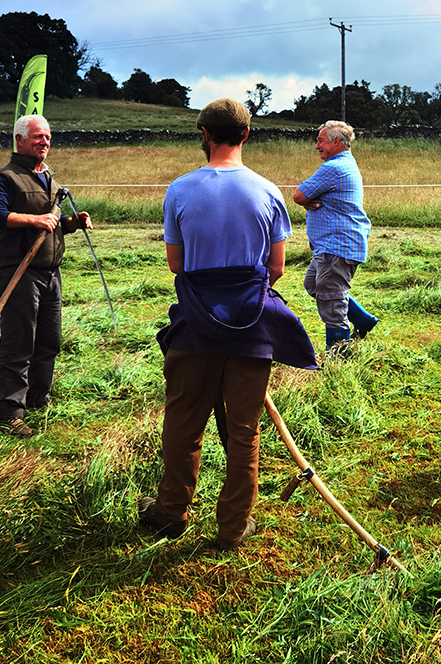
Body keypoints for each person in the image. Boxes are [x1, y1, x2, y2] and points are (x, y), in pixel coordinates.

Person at [138, 98, 316, 546]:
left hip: (194, 324)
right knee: (243, 431)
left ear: (204, 135)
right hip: (251, 325)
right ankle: (234, 526)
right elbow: (275, 269)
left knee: (183, 422)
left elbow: (176, 265)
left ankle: (171, 511)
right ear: (246, 135)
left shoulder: (179, 190)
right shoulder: (268, 190)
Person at [0, 114, 91, 437]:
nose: (45, 142)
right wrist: (35, 221)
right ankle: (10, 411)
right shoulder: (6, 178)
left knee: (49, 340)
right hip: (19, 272)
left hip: (50, 273)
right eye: (38, 137)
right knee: (18, 342)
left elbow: (51, 223)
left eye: (48, 137)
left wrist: (71, 223)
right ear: (20, 141)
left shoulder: (48, 178)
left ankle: (38, 399)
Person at [293, 120, 376, 352]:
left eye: (320, 140)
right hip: (334, 245)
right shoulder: (346, 163)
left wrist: (307, 201)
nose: (316, 145)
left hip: (335, 245)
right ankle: (362, 319)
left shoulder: (333, 167)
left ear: (336, 141)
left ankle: (337, 358)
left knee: (332, 300)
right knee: (313, 284)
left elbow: (299, 195)